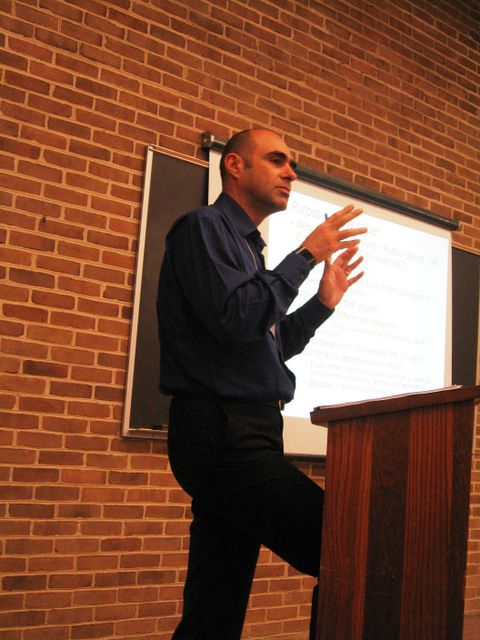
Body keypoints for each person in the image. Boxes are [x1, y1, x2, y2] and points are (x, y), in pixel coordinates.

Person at [157, 128, 367, 639]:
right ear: (234, 166)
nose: (291, 172)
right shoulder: (203, 228)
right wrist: (305, 256)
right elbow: (236, 318)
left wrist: (321, 305)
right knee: (349, 551)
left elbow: (264, 347)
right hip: (222, 433)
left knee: (216, 603)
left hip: (246, 430)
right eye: (277, 160)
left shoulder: (250, 250)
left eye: (291, 164)